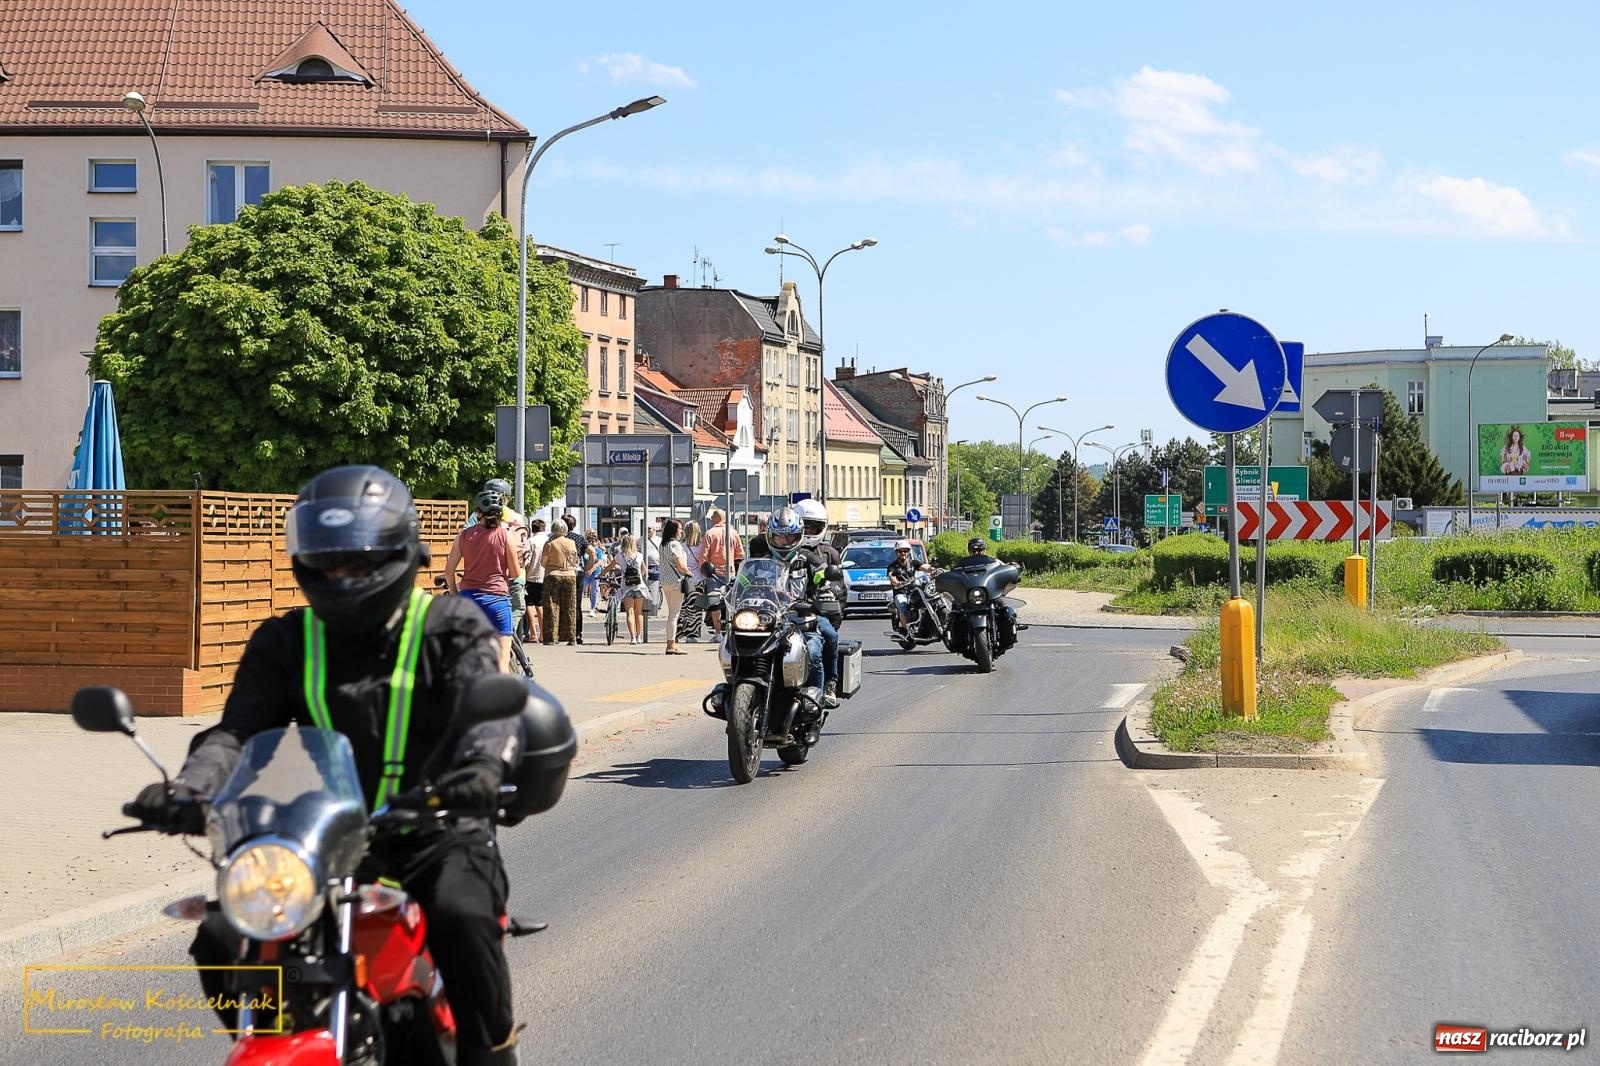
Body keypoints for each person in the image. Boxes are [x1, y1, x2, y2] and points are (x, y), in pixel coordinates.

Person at [124, 465, 526, 1065]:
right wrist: (189, 788)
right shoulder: (286, 640)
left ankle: (490, 1055)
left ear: (397, 555)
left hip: (440, 831)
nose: (343, 576)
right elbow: (236, 732)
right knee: (223, 931)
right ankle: (268, 1036)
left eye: (359, 562)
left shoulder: (447, 625)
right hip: (323, 842)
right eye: (329, 562)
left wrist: (482, 769)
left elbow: (487, 713)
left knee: (463, 918)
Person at [759, 506, 832, 707]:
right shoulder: (763, 562)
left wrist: (826, 593)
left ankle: (818, 698)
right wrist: (727, 592)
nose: (783, 542)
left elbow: (824, 580)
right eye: (778, 537)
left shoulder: (808, 559)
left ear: (797, 536)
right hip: (770, 622)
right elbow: (745, 582)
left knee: (815, 651)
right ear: (770, 537)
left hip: (802, 620)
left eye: (789, 537)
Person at [444, 491, 522, 673]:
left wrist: (457, 596)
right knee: (503, 660)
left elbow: (449, 572)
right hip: (497, 602)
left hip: (469, 601)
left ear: (478, 512)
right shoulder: (505, 535)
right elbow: (516, 572)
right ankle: (504, 698)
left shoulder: (463, 536)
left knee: (465, 656)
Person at [793, 498, 842, 706]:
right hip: (779, 611)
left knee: (830, 635)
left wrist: (831, 601)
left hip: (813, 610)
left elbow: (839, 587)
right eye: (806, 526)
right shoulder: (774, 548)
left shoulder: (828, 554)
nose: (810, 531)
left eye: (815, 527)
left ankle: (830, 683)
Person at [469, 479, 531, 633]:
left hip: (480, 579)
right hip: (515, 576)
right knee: (517, 608)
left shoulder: (476, 516)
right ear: (506, 497)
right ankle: (508, 640)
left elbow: (465, 538)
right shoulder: (516, 517)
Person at [699, 508, 743, 639]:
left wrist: (703, 570)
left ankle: (718, 633)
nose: (711, 519)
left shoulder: (710, 533)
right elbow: (740, 554)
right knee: (732, 602)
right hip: (730, 572)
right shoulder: (733, 533)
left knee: (714, 603)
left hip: (713, 573)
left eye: (713, 517)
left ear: (717, 518)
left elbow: (704, 555)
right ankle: (733, 630)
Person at [604, 531, 648, 644]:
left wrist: (601, 575)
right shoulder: (639, 555)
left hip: (626, 587)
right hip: (639, 587)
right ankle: (639, 637)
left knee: (630, 612)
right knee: (639, 613)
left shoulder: (620, 556)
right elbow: (644, 570)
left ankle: (632, 637)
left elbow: (609, 567)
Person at [540, 519, 579, 646]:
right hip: (570, 575)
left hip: (553, 575)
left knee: (551, 606)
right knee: (570, 607)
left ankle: (551, 637)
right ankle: (571, 637)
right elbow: (574, 559)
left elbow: (543, 563)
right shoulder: (572, 543)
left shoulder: (549, 544)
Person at [561, 515, 596, 644]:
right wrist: (588, 568)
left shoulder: (557, 538)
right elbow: (592, 552)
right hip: (578, 572)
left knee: (563, 603)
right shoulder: (579, 538)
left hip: (562, 571)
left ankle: (563, 633)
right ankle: (578, 633)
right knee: (576, 604)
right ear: (574, 525)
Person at [660, 519, 692, 655]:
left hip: (666, 582)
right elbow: (680, 566)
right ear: (674, 530)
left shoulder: (663, 544)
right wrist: (688, 571)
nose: (681, 531)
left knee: (671, 613)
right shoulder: (675, 545)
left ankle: (672, 643)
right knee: (674, 615)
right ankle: (671, 645)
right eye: (680, 528)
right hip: (676, 582)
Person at [887, 538, 930, 634]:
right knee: (903, 605)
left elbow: (924, 567)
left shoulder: (913, 563)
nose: (903, 553)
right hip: (901, 592)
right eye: (900, 551)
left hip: (914, 590)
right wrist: (897, 583)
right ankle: (908, 630)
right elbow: (892, 577)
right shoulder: (893, 566)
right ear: (897, 553)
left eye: (905, 551)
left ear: (908, 552)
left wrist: (933, 569)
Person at [524, 518, 548, 645]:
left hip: (531, 576)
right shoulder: (548, 540)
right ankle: (543, 633)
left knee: (529, 604)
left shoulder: (531, 541)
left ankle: (533, 633)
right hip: (544, 576)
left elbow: (527, 560)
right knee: (540, 605)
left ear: (533, 529)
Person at [583, 528, 605, 617]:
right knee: (582, 589)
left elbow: (600, 562)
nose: (592, 542)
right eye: (590, 541)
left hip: (595, 573)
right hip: (585, 573)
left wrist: (591, 569)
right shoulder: (585, 550)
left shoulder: (598, 551)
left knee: (594, 591)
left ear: (597, 541)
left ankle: (592, 608)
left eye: (593, 541)